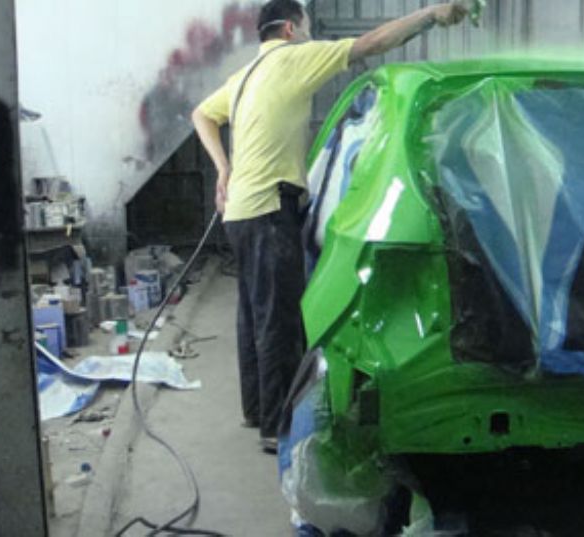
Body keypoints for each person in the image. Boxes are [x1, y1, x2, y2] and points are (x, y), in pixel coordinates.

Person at [192, 0, 470, 453]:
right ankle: (276, 427)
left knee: (253, 312)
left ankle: (257, 410)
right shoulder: (294, 58)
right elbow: (371, 43)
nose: (310, 35)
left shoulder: (245, 76)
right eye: (305, 27)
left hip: (239, 212)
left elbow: (202, 115)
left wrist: (223, 168)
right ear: (289, 29)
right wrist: (430, 15)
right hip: (268, 209)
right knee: (278, 319)